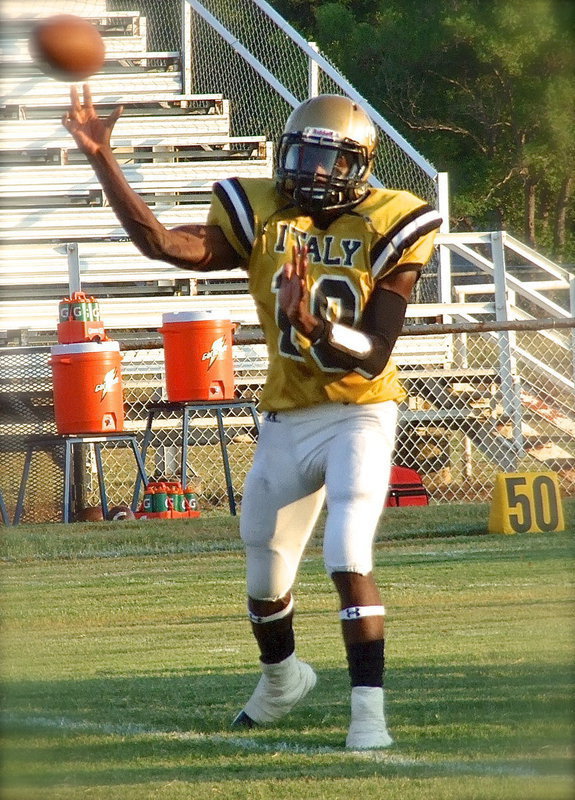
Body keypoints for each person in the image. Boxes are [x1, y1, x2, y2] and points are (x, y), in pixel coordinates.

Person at [64, 86, 442, 749]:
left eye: (328, 162)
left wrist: (311, 321)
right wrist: (102, 160)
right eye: (301, 157)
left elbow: (374, 350)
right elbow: (160, 244)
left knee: (346, 549)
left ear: (359, 166)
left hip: (359, 411)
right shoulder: (262, 211)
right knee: (264, 573)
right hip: (287, 416)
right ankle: (281, 680)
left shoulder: (392, 219)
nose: (310, 174)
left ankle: (368, 719)